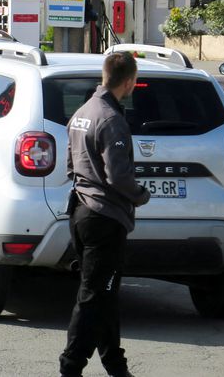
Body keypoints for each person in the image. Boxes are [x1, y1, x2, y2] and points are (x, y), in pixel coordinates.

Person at [59, 52, 150, 377]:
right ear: (128, 82)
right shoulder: (112, 120)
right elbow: (119, 177)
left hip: (82, 211)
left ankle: (116, 366)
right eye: (134, 82)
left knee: (106, 294)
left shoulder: (82, 112)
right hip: (105, 219)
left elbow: (71, 164)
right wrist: (140, 196)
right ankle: (71, 366)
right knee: (95, 296)